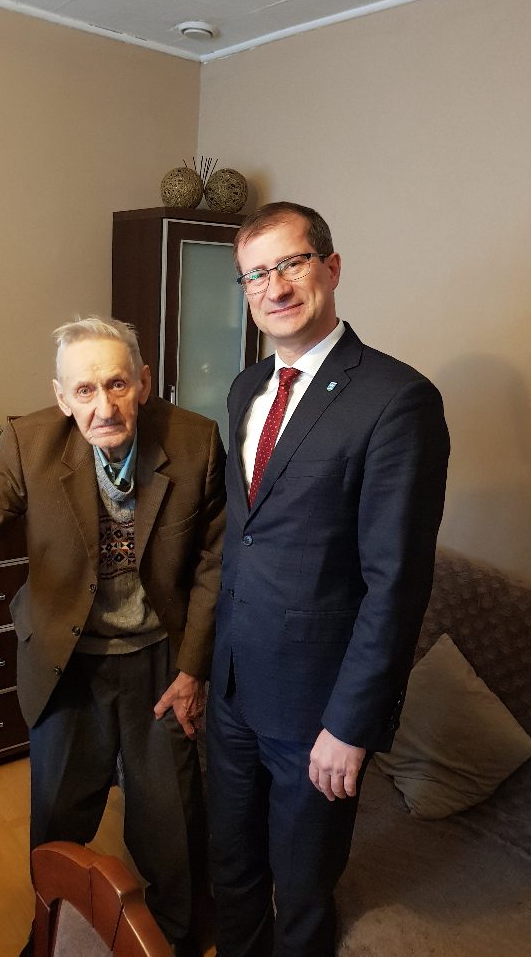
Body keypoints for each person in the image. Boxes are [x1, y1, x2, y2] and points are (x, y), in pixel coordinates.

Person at [0, 316, 226, 957]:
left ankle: (177, 940)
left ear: (143, 382)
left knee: (174, 827)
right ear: (61, 397)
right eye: (84, 390)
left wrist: (194, 669)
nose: (103, 406)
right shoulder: (30, 444)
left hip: (160, 659)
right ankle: (53, 935)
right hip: (65, 659)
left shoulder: (196, 442)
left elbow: (216, 565)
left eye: (117, 384)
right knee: (56, 821)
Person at [207, 202, 450, 957]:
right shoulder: (247, 388)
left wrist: (351, 725)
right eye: (256, 274)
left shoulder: (397, 399)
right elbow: (246, 539)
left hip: (315, 709)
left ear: (332, 268)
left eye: (291, 264)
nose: (274, 287)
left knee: (303, 890)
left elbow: (396, 584)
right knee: (232, 871)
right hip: (232, 688)